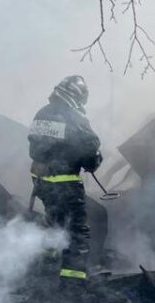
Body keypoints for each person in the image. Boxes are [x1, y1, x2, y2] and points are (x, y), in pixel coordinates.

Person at [27, 75, 103, 286]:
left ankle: (45, 278)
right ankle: (72, 285)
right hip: (66, 186)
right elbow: (90, 157)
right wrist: (95, 156)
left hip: (43, 186)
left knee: (54, 228)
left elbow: (34, 148)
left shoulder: (41, 113)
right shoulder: (74, 118)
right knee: (77, 233)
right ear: (78, 97)